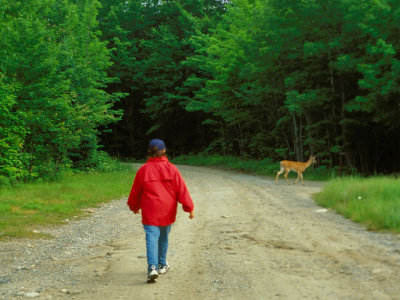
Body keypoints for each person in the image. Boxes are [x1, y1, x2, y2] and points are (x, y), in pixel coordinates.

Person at [127, 139, 194, 283]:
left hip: (150, 210)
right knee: (163, 237)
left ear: (149, 152)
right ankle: (162, 264)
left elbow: (136, 192)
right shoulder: (171, 169)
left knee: (151, 238)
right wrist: (189, 208)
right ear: (164, 151)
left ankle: (152, 267)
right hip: (167, 210)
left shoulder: (143, 170)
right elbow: (181, 190)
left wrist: (134, 206)